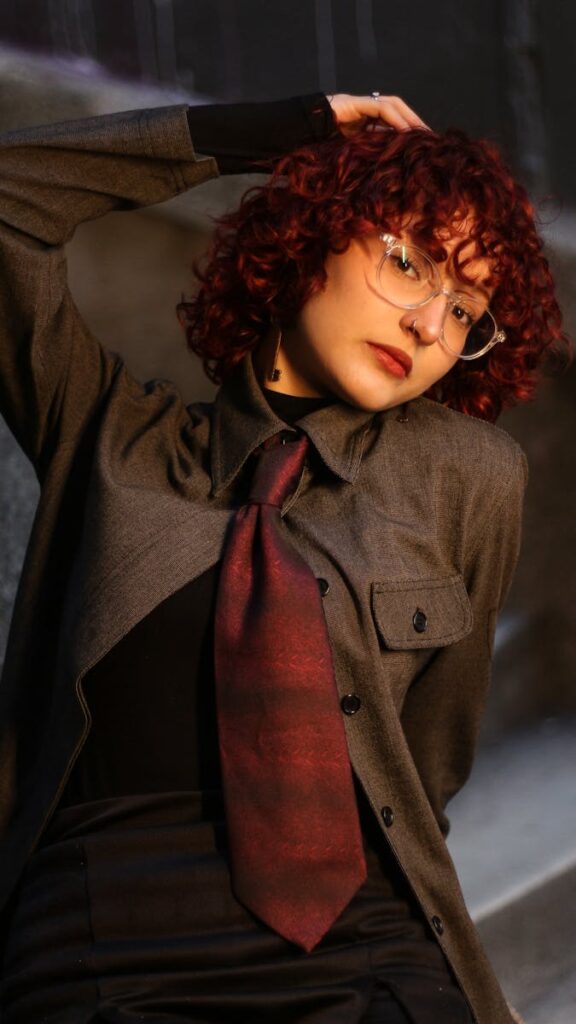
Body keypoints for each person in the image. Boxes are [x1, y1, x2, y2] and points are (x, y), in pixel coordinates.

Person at [0, 90, 566, 1024]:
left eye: (468, 309)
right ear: (315, 228)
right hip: (111, 953)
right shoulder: (106, 440)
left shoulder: (467, 478)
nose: (432, 327)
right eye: (410, 260)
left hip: (365, 952)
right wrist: (276, 134)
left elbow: (424, 768)